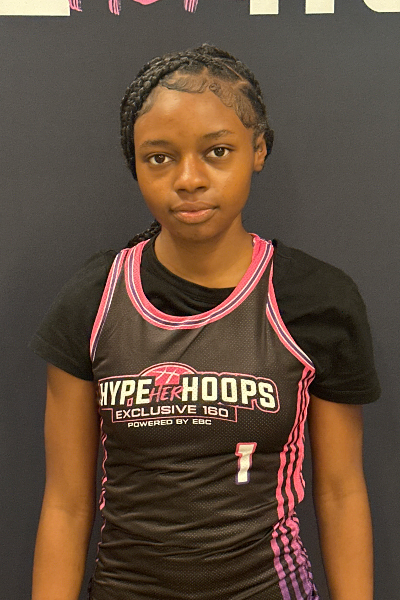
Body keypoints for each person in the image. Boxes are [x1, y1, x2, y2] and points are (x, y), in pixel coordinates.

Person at [30, 44, 380, 600]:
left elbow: (340, 492)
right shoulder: (92, 301)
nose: (189, 179)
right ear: (135, 164)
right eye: (159, 158)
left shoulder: (316, 300)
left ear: (257, 150)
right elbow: (67, 504)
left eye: (217, 151)